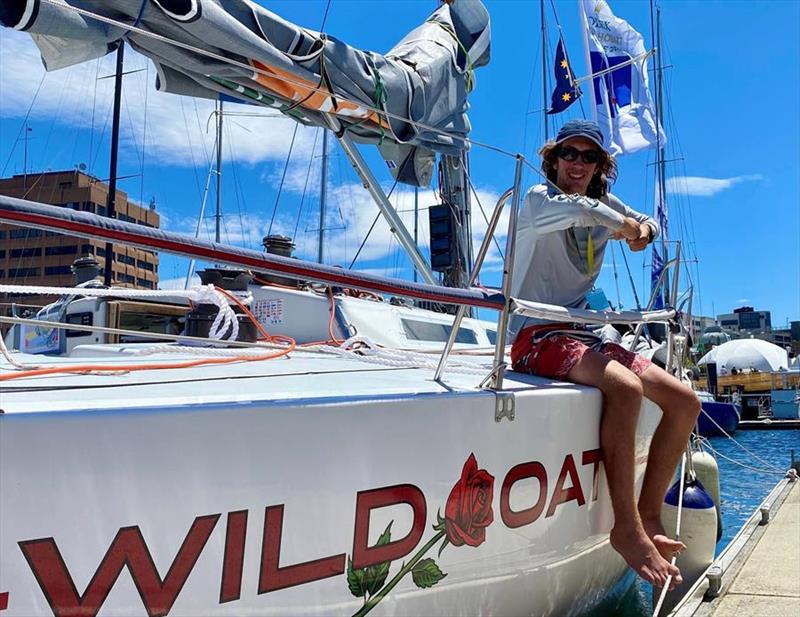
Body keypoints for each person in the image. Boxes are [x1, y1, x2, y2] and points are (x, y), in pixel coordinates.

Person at [510, 119, 700, 590]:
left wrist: (644, 231)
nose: (577, 164)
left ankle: (650, 515)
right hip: (534, 334)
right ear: (553, 161)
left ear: (600, 167)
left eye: (588, 157)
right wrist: (626, 226)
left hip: (582, 335)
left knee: (684, 401)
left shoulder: (603, 204)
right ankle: (626, 528)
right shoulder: (539, 200)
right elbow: (585, 213)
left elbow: (644, 223)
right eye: (568, 155)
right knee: (625, 386)